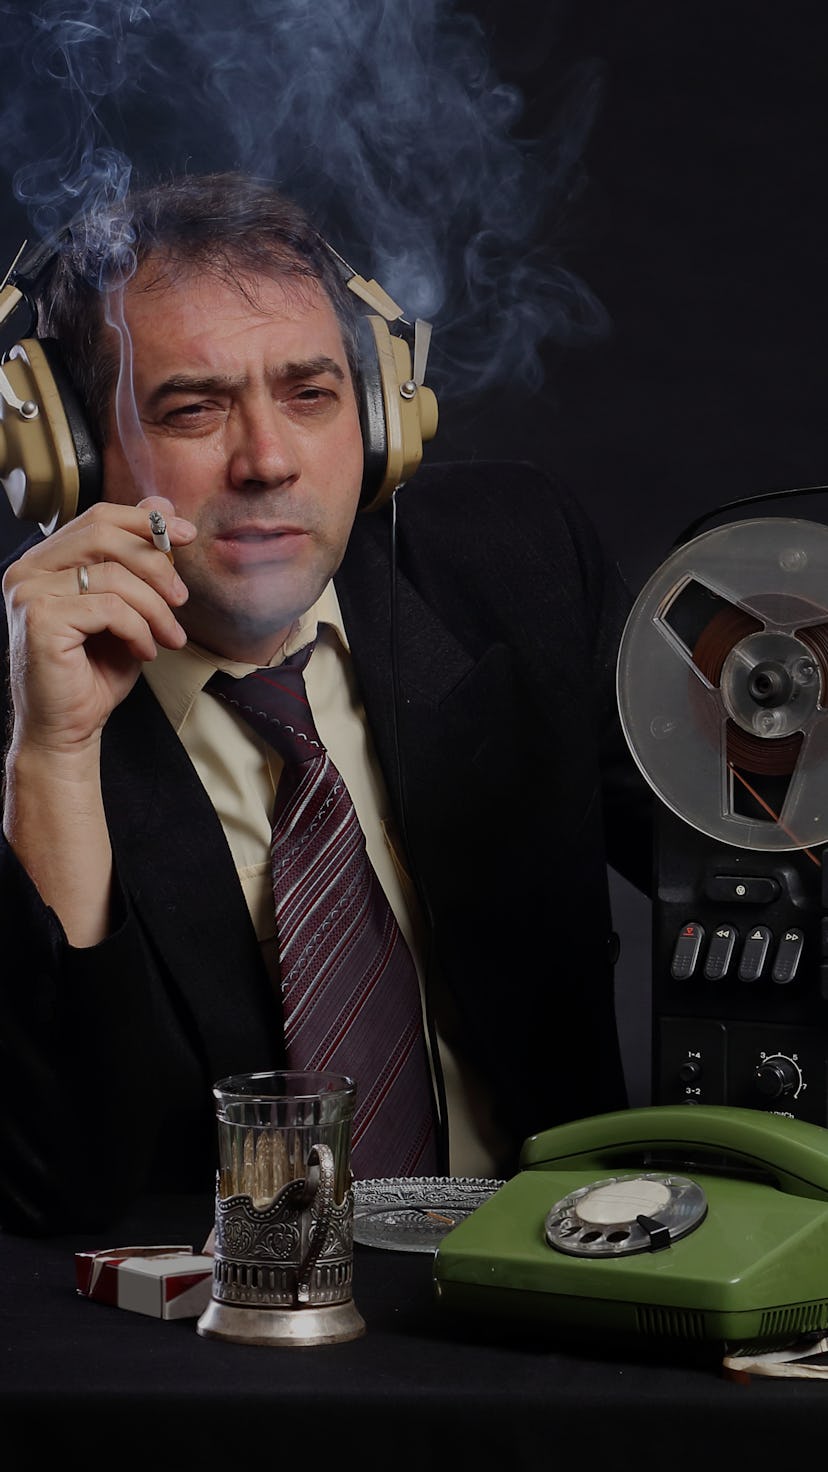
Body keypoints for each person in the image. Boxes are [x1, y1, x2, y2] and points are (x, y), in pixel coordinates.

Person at [0, 172, 651, 1235]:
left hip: (552, 1316)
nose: (266, 460)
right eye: (192, 407)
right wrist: (55, 758)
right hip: (209, 1367)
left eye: (309, 394)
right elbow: (54, 1192)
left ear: (385, 418)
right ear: (66, 462)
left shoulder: (516, 564)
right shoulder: (25, 722)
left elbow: (751, 850)